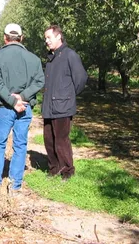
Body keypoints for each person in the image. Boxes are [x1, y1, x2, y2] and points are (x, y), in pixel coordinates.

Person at [0, 23, 45, 195]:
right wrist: (22, 98)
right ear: (21, 38)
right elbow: (40, 81)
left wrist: (11, 100)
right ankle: (15, 185)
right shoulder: (34, 59)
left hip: (4, 108)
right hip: (24, 107)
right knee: (20, 144)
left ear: (5, 37)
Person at [42, 25, 88, 181]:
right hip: (49, 106)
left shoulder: (70, 55)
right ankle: (54, 168)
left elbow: (81, 79)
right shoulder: (51, 57)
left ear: (58, 36)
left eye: (49, 37)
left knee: (62, 139)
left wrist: (68, 96)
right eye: (45, 38)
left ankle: (67, 170)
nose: (46, 41)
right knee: (49, 139)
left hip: (63, 107)